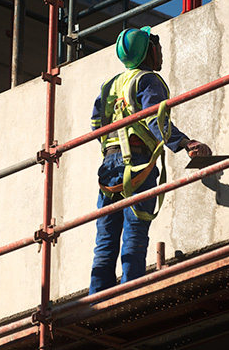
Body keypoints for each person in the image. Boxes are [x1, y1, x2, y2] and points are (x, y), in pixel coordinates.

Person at [89, 27, 212, 296]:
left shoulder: (110, 85)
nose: (161, 52)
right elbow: (154, 119)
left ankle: (97, 297)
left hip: (109, 168)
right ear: (149, 51)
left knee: (106, 236)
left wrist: (113, 149)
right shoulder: (147, 81)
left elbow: (96, 124)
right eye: (156, 46)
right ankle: (129, 291)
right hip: (138, 164)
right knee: (135, 228)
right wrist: (184, 143)